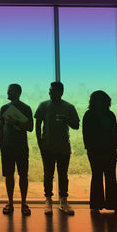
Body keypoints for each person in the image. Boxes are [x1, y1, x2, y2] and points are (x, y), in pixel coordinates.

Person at [35, 81, 79, 215]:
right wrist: (40, 143)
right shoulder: (43, 106)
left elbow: (76, 125)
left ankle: (63, 201)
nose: (50, 92)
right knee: (48, 175)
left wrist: (67, 120)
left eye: (52, 90)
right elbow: (37, 125)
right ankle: (48, 200)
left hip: (63, 147)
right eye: (49, 90)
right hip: (47, 146)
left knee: (63, 175)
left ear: (60, 92)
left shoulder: (69, 107)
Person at [82, 90, 117, 215]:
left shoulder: (90, 114)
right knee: (107, 176)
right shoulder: (108, 114)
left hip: (100, 150)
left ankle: (96, 206)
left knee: (101, 176)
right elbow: (114, 132)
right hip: (104, 150)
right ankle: (114, 206)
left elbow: (87, 135)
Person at [0, 84, 33, 216]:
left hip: (21, 146)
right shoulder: (4, 108)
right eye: (8, 90)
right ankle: (10, 202)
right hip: (7, 147)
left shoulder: (26, 108)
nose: (8, 92)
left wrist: (15, 122)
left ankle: (24, 203)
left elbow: (30, 127)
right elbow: (0, 128)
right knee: (9, 175)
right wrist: (1, 145)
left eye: (10, 90)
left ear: (18, 92)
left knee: (23, 175)